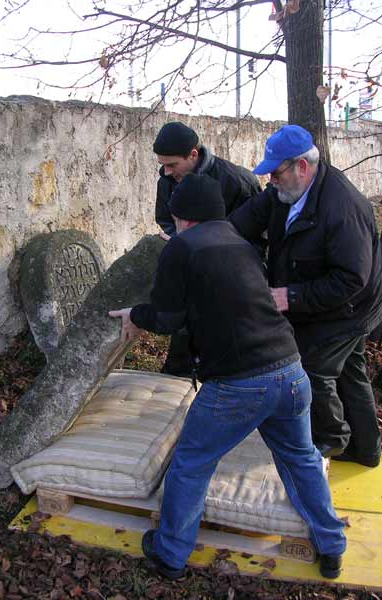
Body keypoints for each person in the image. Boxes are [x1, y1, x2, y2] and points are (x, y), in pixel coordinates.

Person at [109, 173, 346, 581]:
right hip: (291, 371)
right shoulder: (243, 245)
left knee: (190, 463)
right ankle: (331, 545)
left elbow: (167, 318)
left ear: (181, 217)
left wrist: (135, 315)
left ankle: (169, 554)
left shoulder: (182, 247)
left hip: (239, 384)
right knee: (302, 458)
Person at [231, 124, 382, 466]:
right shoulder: (287, 191)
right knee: (349, 370)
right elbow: (246, 218)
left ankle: (329, 440)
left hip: (350, 306)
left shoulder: (342, 209)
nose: (271, 180)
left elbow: (350, 279)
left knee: (311, 368)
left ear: (301, 166)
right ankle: (367, 450)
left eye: (276, 173)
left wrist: (290, 297)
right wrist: (210, 236)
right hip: (327, 299)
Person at [153, 121, 262, 377]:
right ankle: (176, 378)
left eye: (172, 165)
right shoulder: (167, 180)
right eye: (163, 165)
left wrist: (203, 246)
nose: (167, 172)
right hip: (191, 274)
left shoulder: (237, 181)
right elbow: (165, 218)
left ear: (193, 154)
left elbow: (256, 233)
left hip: (232, 279)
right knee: (182, 336)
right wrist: (180, 241)